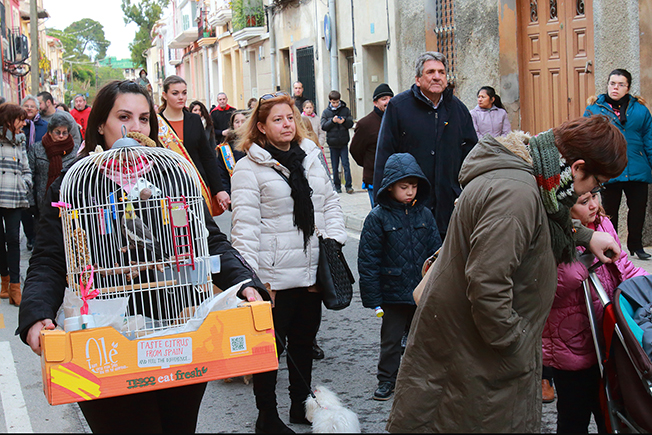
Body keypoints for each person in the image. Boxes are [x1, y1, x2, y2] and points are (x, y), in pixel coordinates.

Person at [16, 79, 268, 433]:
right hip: (104, 340)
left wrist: (244, 283)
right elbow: (49, 260)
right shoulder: (73, 184)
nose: (135, 128)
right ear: (100, 124)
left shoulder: (173, 178)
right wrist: (36, 314)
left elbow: (210, 241)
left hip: (175, 331)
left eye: (144, 118)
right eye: (124, 117)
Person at [386, 116, 628, 433]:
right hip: (477, 358)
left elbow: (543, 219)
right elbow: (487, 286)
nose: (594, 191)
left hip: (479, 355)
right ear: (578, 167)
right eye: (596, 183)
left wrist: (585, 236)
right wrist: (518, 345)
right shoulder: (517, 194)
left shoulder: (534, 179)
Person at [230, 92, 346, 433]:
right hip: (273, 277)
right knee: (270, 349)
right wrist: (251, 280)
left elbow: (330, 201)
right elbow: (245, 228)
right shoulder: (248, 168)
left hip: (311, 269)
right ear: (262, 128)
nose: (286, 124)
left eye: (290, 117)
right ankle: (267, 415)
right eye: (277, 119)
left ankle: (300, 406)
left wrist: (334, 242)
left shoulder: (310, 155)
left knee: (303, 342)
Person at [543, 189, 647, 434]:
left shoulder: (604, 224)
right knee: (573, 415)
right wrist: (585, 262)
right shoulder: (554, 236)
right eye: (584, 201)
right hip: (570, 347)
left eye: (595, 197)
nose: (593, 205)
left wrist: (647, 284)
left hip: (605, 339)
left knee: (609, 411)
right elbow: (552, 289)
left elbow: (625, 268)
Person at [358, 153, 441, 401]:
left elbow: (436, 254)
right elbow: (368, 259)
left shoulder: (425, 214)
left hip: (420, 290)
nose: (409, 192)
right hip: (392, 291)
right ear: (390, 186)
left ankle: (422, 378)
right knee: (391, 341)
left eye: (414, 187)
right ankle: (387, 380)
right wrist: (373, 297)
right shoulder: (377, 217)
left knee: (424, 338)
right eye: (404, 187)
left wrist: (437, 287)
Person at [374, 52, 478, 241]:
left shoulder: (459, 110)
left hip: (449, 210)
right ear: (418, 79)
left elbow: (472, 156)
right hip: (409, 208)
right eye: (430, 72)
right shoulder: (398, 107)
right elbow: (384, 155)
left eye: (442, 72)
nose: (437, 77)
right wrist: (382, 205)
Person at [584, 69, 652, 260]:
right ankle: (611, 244)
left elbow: (649, 139)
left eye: (621, 84)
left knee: (638, 209)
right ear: (607, 84)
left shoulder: (640, 110)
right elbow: (587, 139)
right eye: (612, 83)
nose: (616, 87)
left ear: (628, 87)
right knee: (610, 211)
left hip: (637, 167)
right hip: (610, 168)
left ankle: (636, 246)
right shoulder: (594, 109)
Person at [158, 76, 230, 213]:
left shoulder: (194, 120)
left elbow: (207, 156)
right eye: (175, 93)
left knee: (203, 229)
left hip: (198, 184)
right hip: (170, 189)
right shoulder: (156, 124)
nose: (181, 97)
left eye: (184, 93)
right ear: (164, 95)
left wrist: (219, 189)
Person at [0, 103, 31, 306]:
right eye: (20, 119)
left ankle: (15, 286)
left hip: (15, 196)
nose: (23, 123)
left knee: (13, 239)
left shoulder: (20, 141)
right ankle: (5, 282)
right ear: (8, 120)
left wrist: (25, 182)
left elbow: (26, 168)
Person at [27, 112, 79, 225]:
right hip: (43, 203)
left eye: (64, 133)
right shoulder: (36, 149)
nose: (61, 136)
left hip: (68, 202)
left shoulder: (75, 151)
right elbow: (30, 176)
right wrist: (31, 203)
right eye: (57, 132)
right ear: (50, 132)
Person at [350, 83, 394, 207]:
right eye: (384, 99)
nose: (388, 102)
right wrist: (370, 163)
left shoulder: (397, 119)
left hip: (395, 179)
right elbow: (355, 150)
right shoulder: (365, 124)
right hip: (375, 179)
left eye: (390, 98)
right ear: (375, 102)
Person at [321, 90, 354, 194]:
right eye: (333, 102)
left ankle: (348, 186)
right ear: (330, 101)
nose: (335, 104)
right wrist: (332, 121)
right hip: (332, 143)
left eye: (337, 102)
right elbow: (324, 126)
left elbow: (350, 123)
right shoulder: (326, 112)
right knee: (335, 166)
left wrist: (343, 121)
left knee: (346, 164)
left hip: (343, 141)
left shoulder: (345, 110)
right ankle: (337, 186)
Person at [215, 109, 248, 195]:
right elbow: (222, 177)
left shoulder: (258, 144)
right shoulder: (226, 149)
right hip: (235, 193)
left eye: (243, 121)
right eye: (237, 122)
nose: (240, 125)